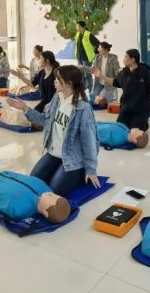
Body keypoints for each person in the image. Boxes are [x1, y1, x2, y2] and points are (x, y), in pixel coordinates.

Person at [6, 65, 100, 196]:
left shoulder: (83, 108)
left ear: (69, 83)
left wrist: (91, 170)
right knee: (34, 181)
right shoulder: (57, 97)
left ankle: (80, 172)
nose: (54, 81)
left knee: (55, 190)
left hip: (73, 158)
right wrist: (25, 108)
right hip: (54, 153)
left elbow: (89, 141)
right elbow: (45, 121)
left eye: (58, 79)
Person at [93, 49, 150, 131]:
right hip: (126, 108)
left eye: (126, 57)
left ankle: (145, 123)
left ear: (133, 59)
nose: (123, 59)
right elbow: (115, 82)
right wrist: (101, 76)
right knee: (119, 129)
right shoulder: (124, 72)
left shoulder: (146, 73)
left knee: (135, 132)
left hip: (141, 109)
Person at [0, 171, 71, 223]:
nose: (50, 193)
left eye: (51, 196)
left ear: (46, 213)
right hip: (5, 175)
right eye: (55, 195)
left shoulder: (20, 210)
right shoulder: (46, 189)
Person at [74, 20, 100, 92]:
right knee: (80, 74)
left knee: (87, 74)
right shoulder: (78, 34)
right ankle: (82, 89)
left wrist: (95, 52)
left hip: (87, 58)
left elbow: (98, 44)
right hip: (79, 57)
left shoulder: (89, 34)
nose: (77, 28)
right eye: (76, 27)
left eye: (78, 27)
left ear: (83, 27)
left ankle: (90, 90)